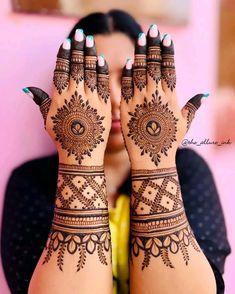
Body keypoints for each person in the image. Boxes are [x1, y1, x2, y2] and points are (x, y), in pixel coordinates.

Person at [1, 10, 231, 294]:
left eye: (129, 76)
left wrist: (153, 163)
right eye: (95, 79)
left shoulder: (187, 170)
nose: (114, 96)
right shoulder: (31, 181)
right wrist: (79, 158)